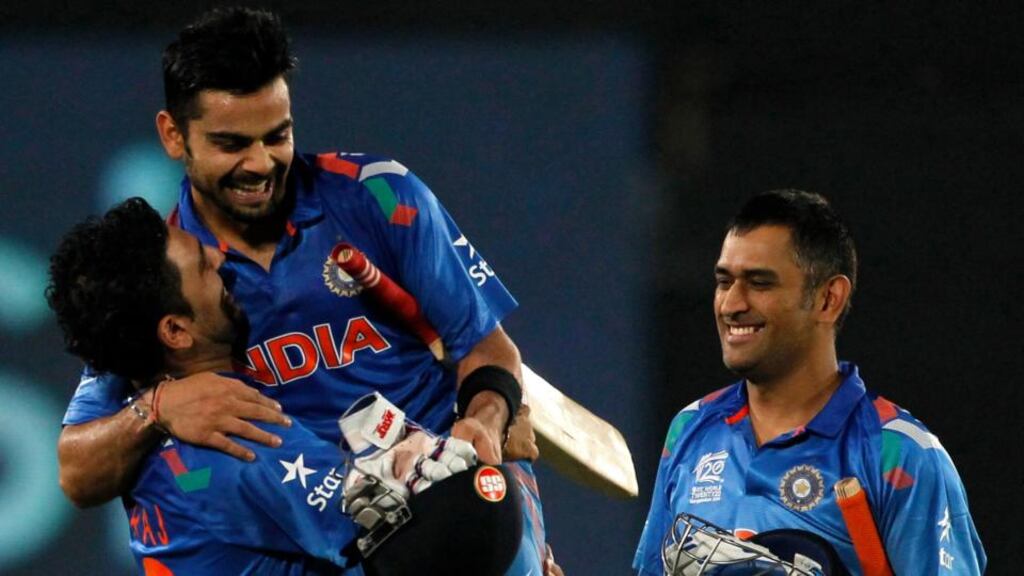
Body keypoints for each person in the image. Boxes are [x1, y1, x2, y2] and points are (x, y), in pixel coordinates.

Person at [56, 7, 551, 574]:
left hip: (450, 484)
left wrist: (485, 421)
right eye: (231, 143)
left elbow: (489, 351)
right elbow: (77, 469)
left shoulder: (380, 197)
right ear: (174, 135)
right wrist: (155, 407)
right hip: (330, 538)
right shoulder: (166, 282)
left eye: (278, 136)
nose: (261, 163)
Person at [47, 197, 523, 575]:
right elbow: (445, 529)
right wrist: (481, 447)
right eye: (202, 266)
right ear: (175, 331)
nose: (218, 255)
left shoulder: (160, 436)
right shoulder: (236, 434)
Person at [633, 190, 986, 575]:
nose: (731, 304)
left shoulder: (899, 454)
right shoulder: (691, 429)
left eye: (760, 283)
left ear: (828, 299)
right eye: (724, 281)